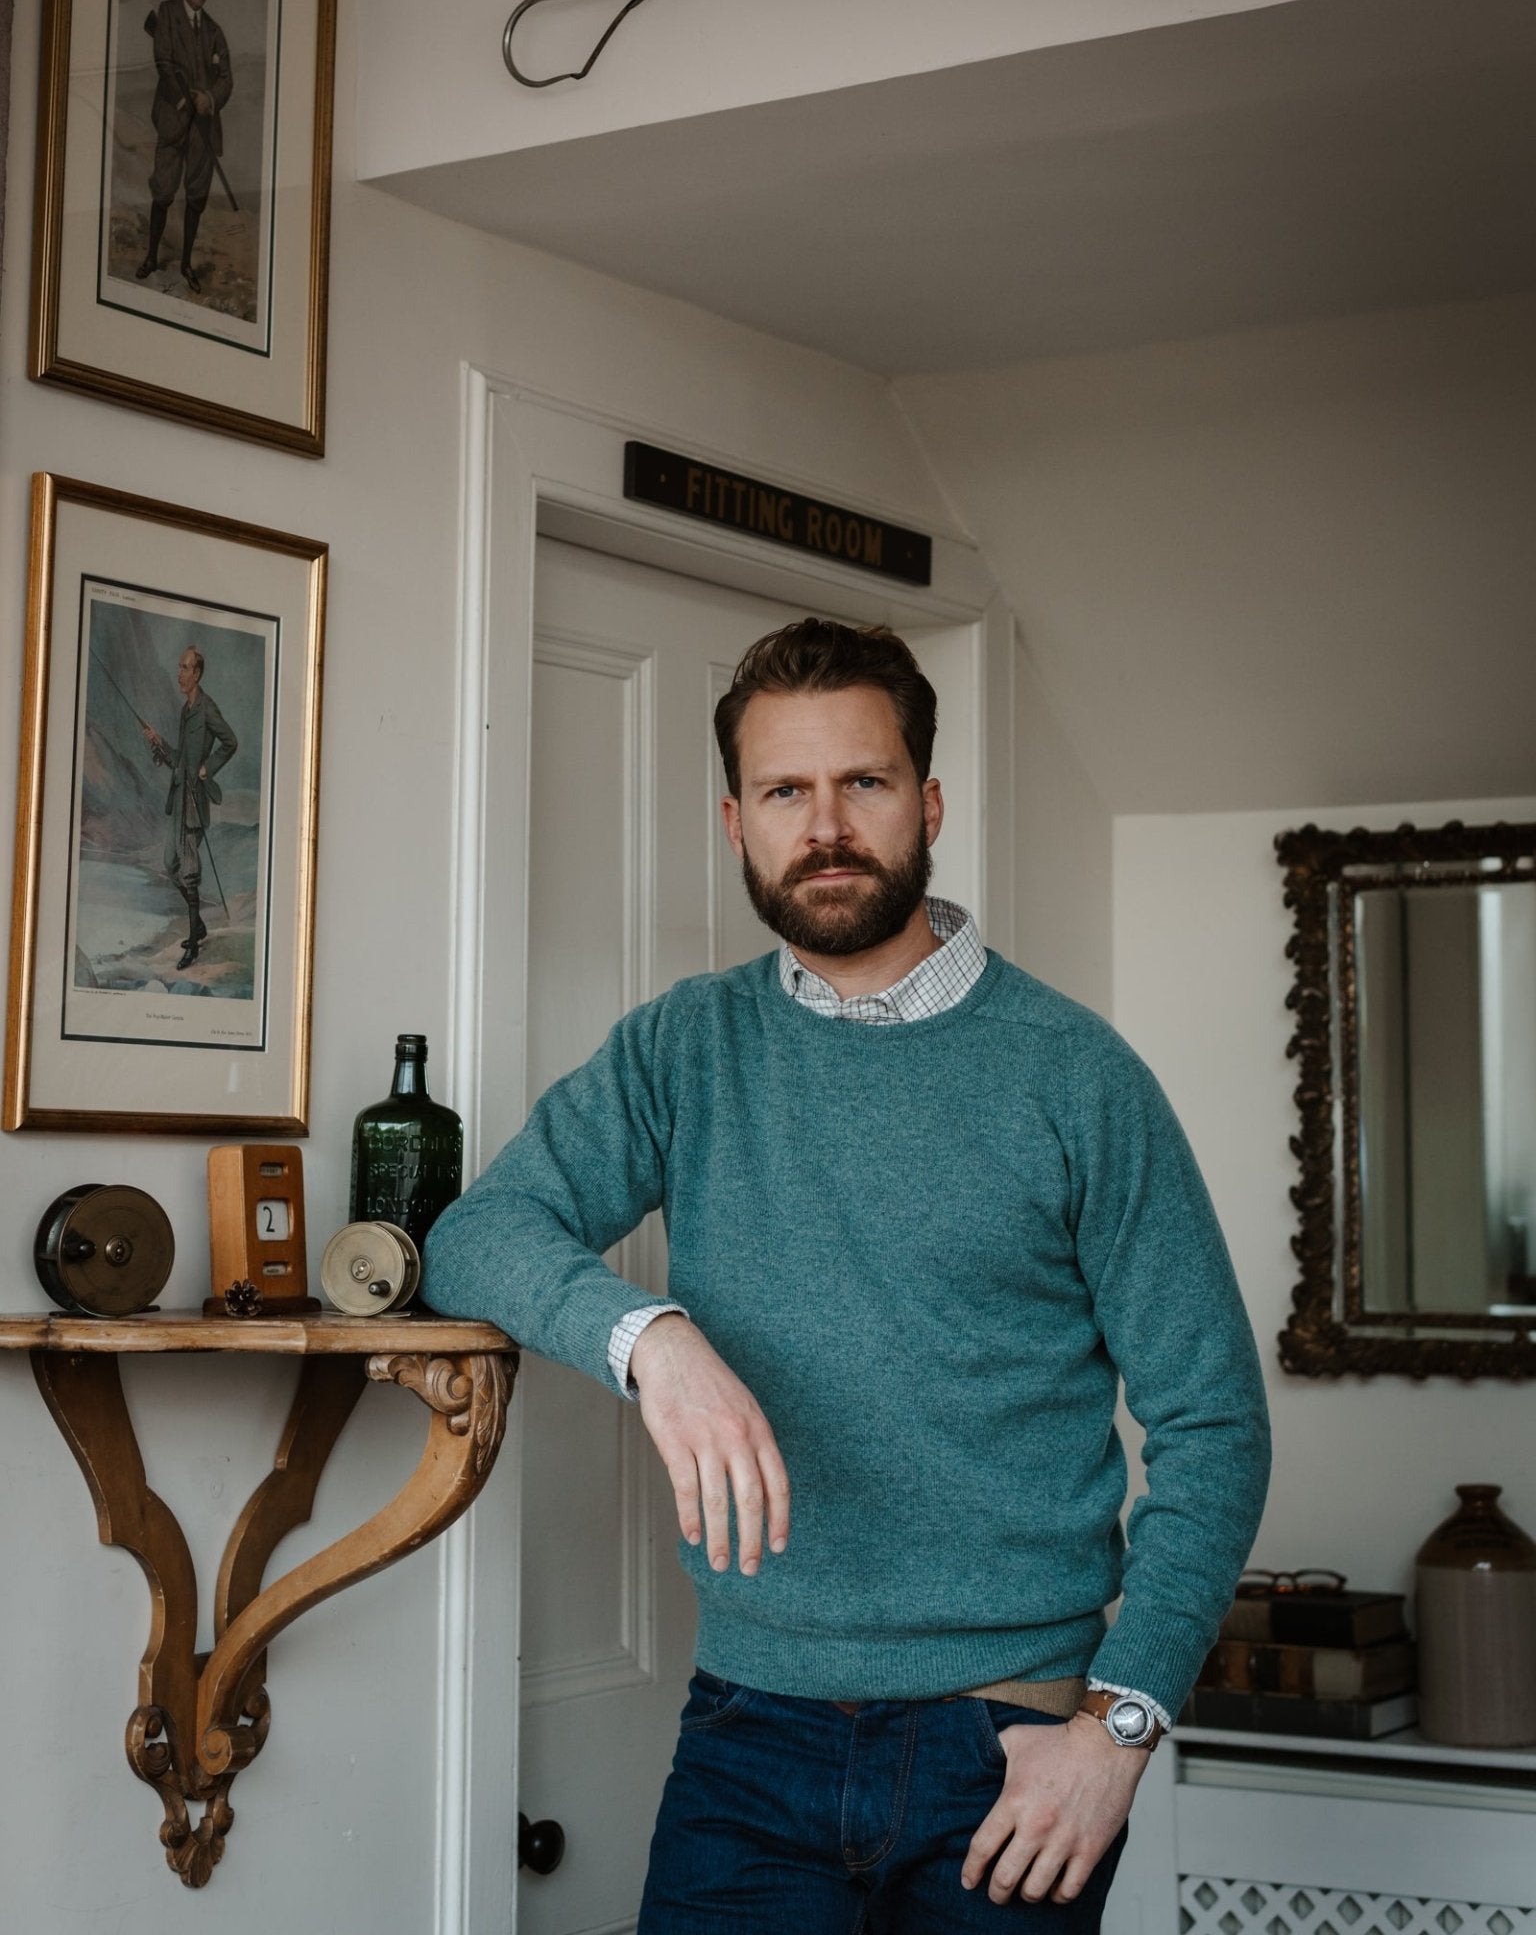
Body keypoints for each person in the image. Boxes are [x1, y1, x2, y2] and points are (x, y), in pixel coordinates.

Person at [422, 619, 1270, 1930]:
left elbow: (1214, 1424)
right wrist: (656, 1341)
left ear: (928, 804)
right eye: (784, 792)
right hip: (746, 1737)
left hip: (1013, 1750)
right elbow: (478, 1237)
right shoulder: (683, 1050)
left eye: (862, 783)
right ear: (735, 821)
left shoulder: (1077, 1079)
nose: (825, 824)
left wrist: (1123, 1726)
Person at [137, 0, 232, 294]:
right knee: (162, 191)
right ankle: (150, 256)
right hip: (174, 122)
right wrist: (183, 100)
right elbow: (163, 62)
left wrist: (208, 98)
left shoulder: (214, 32)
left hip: (203, 130)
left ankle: (187, 263)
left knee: (195, 197)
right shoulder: (166, 15)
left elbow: (227, 79)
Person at [141, 646, 237, 970]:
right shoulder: (186, 710)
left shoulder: (207, 709)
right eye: (179, 667)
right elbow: (181, 759)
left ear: (196, 673)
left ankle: (194, 944)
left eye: (185, 668)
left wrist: (208, 768)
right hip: (179, 797)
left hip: (194, 802)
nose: (179, 673)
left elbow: (231, 742)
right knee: (170, 864)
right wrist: (158, 741)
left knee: (190, 872)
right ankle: (198, 924)